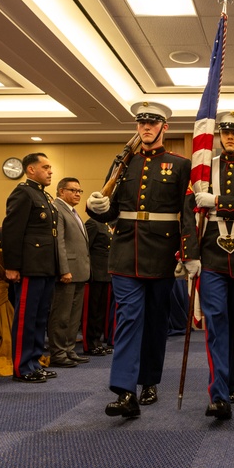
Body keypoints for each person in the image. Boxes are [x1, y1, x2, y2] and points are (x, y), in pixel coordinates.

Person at [86, 102, 198, 418]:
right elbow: (109, 209)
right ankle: (124, 391)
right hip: (124, 251)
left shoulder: (179, 165)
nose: (146, 128)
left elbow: (187, 213)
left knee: (155, 322)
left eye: (153, 123)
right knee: (129, 319)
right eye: (141, 123)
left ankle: (149, 381)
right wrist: (97, 207)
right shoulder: (123, 163)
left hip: (162, 253)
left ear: (165, 128)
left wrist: (190, 254)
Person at [192, 111, 234, 420]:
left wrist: (217, 202)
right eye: (225, 132)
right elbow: (187, 212)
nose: (230, 137)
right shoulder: (203, 171)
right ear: (218, 136)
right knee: (216, 322)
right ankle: (218, 393)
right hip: (211, 256)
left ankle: (231, 380)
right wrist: (190, 254)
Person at [1, 153, 60, 384]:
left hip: (45, 266)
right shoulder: (23, 193)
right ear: (31, 170)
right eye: (45, 167)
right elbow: (12, 231)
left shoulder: (42, 195)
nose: (50, 171)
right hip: (29, 266)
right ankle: (22, 367)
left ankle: (35, 362)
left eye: (50, 167)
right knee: (26, 317)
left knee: (39, 318)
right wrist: (12, 266)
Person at [48, 177, 91, 367]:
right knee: (61, 315)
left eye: (79, 191)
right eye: (73, 190)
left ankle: (69, 349)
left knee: (74, 316)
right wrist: (63, 270)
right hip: (67, 272)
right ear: (61, 191)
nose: (77, 194)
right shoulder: (57, 209)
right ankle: (58, 353)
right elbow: (59, 242)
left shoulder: (73, 212)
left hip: (80, 271)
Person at [83, 216, 113, 355]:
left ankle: (97, 341)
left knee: (101, 311)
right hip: (95, 272)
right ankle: (89, 343)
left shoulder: (105, 223)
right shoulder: (92, 223)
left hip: (105, 273)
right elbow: (85, 248)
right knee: (92, 310)